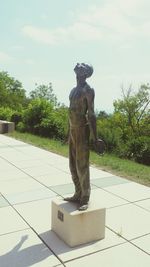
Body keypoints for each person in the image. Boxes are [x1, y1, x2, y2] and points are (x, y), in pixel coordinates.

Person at [64, 63, 98, 211]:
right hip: (73, 131)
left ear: (86, 73)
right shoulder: (73, 90)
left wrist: (95, 137)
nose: (79, 64)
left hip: (82, 131)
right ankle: (78, 193)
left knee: (82, 166)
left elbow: (91, 114)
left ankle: (85, 197)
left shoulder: (88, 91)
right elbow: (70, 113)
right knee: (72, 165)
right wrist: (68, 133)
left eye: (83, 65)